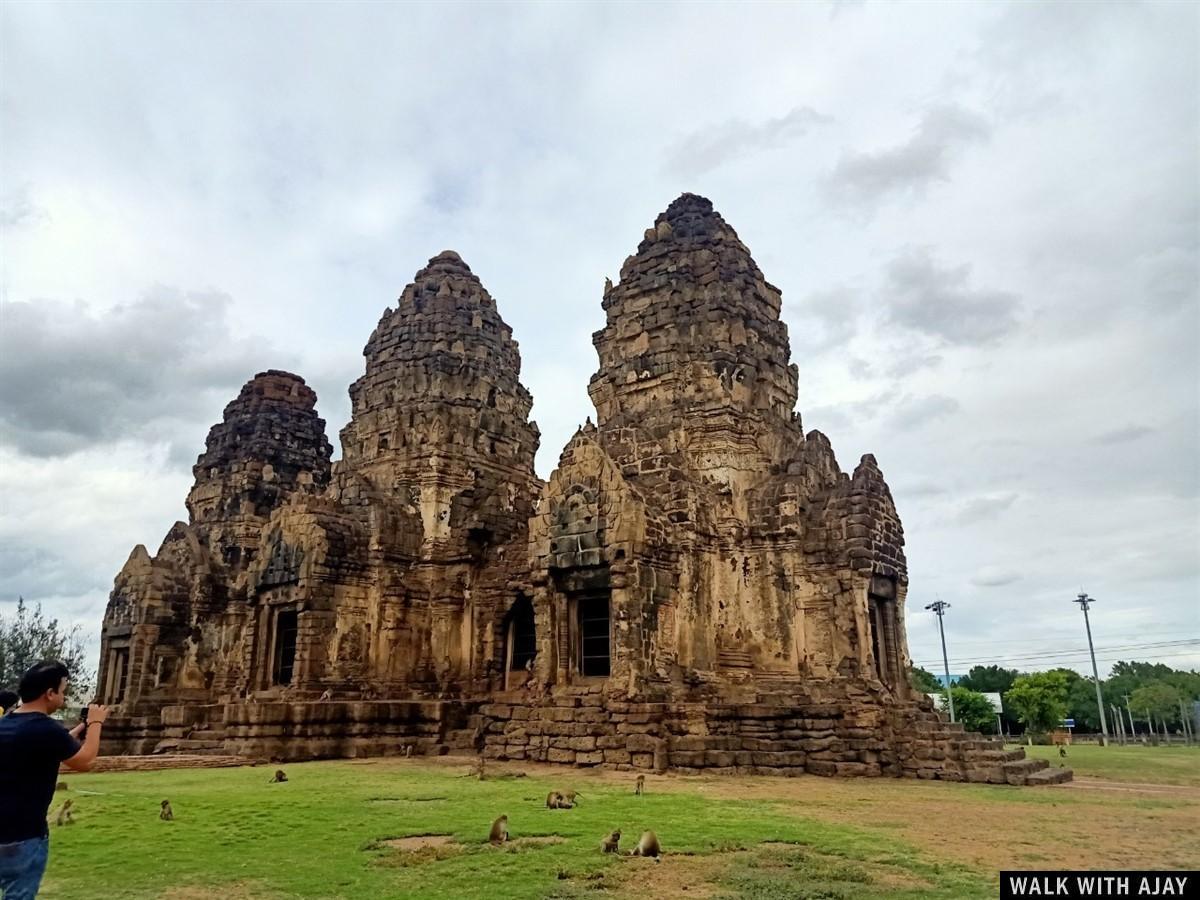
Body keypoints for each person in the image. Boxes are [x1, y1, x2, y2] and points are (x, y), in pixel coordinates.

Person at [0, 661, 108, 899]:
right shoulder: (47, 730)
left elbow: (51, 746)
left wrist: (83, 726)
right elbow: (86, 761)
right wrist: (97, 722)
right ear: (49, 694)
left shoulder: (5, 725)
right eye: (63, 691)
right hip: (24, 836)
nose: (64, 697)